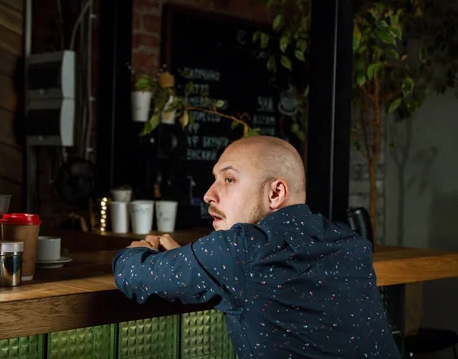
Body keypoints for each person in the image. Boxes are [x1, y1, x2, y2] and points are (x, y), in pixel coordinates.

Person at [112, 136, 400, 358]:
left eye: (229, 179)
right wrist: (190, 258)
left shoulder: (242, 249)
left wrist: (136, 251)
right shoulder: (349, 243)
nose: (209, 194)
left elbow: (131, 275)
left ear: (275, 192)